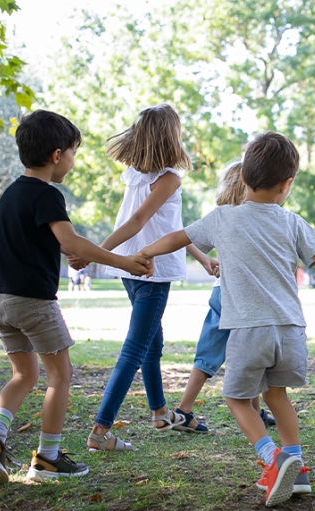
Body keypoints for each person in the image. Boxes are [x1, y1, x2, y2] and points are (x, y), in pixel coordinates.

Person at [136, 131, 315, 506]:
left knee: (236, 397)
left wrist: (146, 252)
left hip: (249, 330)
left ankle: (272, 458)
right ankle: (296, 468)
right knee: (277, 396)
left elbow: (179, 238)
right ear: (288, 184)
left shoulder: (222, 218)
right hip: (291, 330)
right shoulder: (292, 221)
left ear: (243, 179)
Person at [0, 110, 150, 484]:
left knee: (23, 374)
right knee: (60, 375)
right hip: (33, 302)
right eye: (72, 153)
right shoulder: (47, 195)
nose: (72, 160)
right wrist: (124, 262)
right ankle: (47, 458)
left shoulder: (10, 194)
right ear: (56, 155)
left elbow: (47, 244)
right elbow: (69, 242)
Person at [73, 104, 207, 453]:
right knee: (135, 348)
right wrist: (93, 252)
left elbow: (173, 228)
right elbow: (136, 223)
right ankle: (100, 431)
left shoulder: (135, 174)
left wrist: (204, 259)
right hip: (150, 269)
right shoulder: (168, 178)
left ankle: (160, 413)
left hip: (130, 269)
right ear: (171, 137)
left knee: (152, 343)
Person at [170, 161, 277, 435]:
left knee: (214, 352)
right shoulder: (255, 216)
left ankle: (186, 409)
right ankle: (184, 411)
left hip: (221, 291)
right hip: (241, 296)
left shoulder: (221, 215)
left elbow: (186, 236)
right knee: (247, 351)